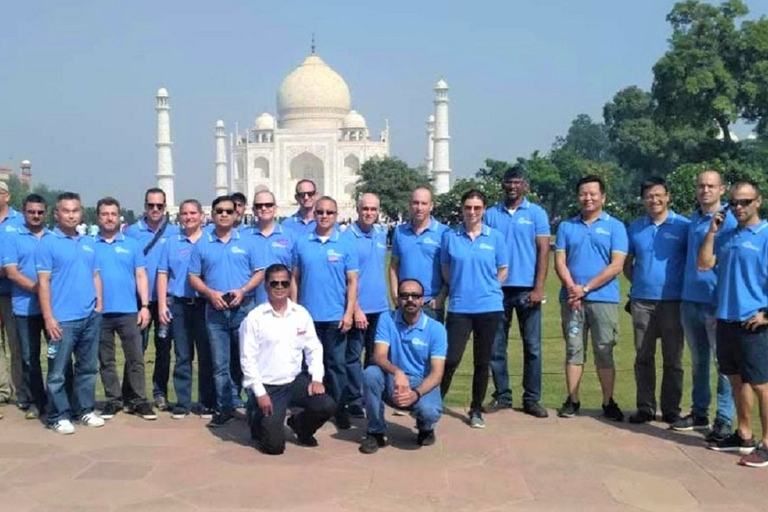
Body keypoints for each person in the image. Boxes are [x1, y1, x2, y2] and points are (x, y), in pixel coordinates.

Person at [699, 180, 768, 467]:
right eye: (734, 203)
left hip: (754, 321)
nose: (739, 208)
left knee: (762, 386)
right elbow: (704, 264)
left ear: (758, 202)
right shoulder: (729, 236)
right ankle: (744, 435)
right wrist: (713, 231)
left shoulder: (765, 235)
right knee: (736, 381)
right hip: (726, 318)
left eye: (745, 202)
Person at [239, 263, 336, 455]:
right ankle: (256, 416)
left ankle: (300, 425)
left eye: (284, 283)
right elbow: (247, 359)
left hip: (294, 381)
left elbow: (314, 348)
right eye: (275, 283)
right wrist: (260, 393)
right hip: (269, 385)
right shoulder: (254, 318)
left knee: (327, 405)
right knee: (274, 447)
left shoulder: (301, 314)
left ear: (291, 284)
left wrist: (316, 378)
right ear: (266, 286)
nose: (280, 287)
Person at [554, 175, 626, 422]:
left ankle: (608, 401)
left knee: (604, 351)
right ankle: (572, 400)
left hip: (603, 299)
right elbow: (560, 261)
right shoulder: (566, 226)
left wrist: (586, 288)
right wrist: (573, 288)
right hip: (572, 299)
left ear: (603, 197)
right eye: (583, 194)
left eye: (593, 193)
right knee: (574, 350)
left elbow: (617, 265)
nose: (588, 198)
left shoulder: (615, 226)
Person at [189, 195, 265, 427]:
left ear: (236, 214)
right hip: (215, 309)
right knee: (220, 364)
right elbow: (193, 277)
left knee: (248, 361)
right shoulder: (203, 243)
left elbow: (259, 273)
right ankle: (225, 407)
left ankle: (253, 408)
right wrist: (211, 293)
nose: (224, 214)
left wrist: (243, 291)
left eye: (228, 211)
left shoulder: (248, 241)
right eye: (219, 211)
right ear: (212, 214)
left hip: (243, 308)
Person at [483, 164, 550, 418]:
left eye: (517, 182)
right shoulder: (491, 214)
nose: (512, 186)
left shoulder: (536, 213)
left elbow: (544, 251)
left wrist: (539, 287)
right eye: (508, 182)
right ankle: (502, 395)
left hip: (527, 289)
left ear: (525, 186)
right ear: (503, 185)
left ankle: (531, 399)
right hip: (497, 289)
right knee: (496, 346)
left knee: (532, 347)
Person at [36, 192, 105, 434]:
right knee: (58, 372)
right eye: (66, 210)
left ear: (81, 213)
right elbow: (43, 283)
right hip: (62, 318)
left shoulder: (88, 242)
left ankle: (84, 410)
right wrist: (48, 317)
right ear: (57, 214)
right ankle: (58, 414)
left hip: (89, 316)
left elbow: (95, 274)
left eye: (75, 210)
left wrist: (99, 305)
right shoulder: (48, 242)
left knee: (87, 368)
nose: (71, 215)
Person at [674, 170, 735, 440]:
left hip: (715, 301)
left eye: (711, 186)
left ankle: (724, 419)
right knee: (699, 362)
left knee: (722, 364)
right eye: (701, 186)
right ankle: (700, 412)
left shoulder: (728, 221)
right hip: (690, 299)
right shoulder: (694, 219)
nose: (705, 190)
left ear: (722, 189)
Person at [439, 189, 508, 429]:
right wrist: (461, 287)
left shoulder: (495, 237)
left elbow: (502, 270)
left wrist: (486, 289)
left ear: (484, 210)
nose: (472, 212)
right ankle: (435, 402)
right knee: (450, 359)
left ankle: (476, 408)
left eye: (477, 208)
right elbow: (445, 270)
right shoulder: (451, 236)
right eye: (468, 207)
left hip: (488, 307)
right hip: (460, 306)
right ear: (462, 209)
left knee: (482, 360)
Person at [624, 177, 689, 424]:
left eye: (659, 195)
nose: (655, 200)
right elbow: (627, 263)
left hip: (673, 301)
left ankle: (671, 409)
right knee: (643, 356)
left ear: (668, 196)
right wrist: (640, 283)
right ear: (643, 200)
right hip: (642, 301)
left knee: (673, 358)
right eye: (649, 196)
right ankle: (646, 407)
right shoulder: (636, 227)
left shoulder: (683, 226)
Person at [291, 195, 358, 429]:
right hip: (307, 317)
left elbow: (352, 282)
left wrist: (349, 313)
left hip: (334, 316)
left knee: (335, 364)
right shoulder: (302, 242)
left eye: (329, 212)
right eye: (320, 212)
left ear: (336, 215)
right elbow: (295, 279)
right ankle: (308, 408)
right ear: (314, 214)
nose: (324, 216)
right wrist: (294, 310)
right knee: (305, 365)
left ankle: (339, 409)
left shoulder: (346, 244)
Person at [359, 278, 446, 454]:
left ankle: (425, 427)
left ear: (422, 300)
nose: (410, 300)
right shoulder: (386, 319)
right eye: (405, 296)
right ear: (398, 299)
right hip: (392, 378)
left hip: (421, 382)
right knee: (370, 374)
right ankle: (375, 431)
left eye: (415, 296)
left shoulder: (436, 329)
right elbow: (379, 355)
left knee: (429, 411)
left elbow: (437, 374)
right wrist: (397, 372)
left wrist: (415, 393)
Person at [93, 197, 156, 421]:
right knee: (106, 359)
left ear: (119, 217)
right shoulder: (90, 245)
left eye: (113, 214)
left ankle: (139, 401)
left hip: (128, 310)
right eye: (104, 214)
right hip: (100, 312)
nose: (109, 218)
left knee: (135, 358)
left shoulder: (132, 245)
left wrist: (145, 306)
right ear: (98, 217)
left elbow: (141, 276)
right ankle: (113, 400)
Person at [157, 199, 215, 419]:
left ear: (202, 216)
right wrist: (163, 303)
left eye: (193, 213)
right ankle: (182, 402)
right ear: (179, 216)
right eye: (185, 213)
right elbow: (163, 273)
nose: (189, 217)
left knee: (206, 355)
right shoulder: (171, 242)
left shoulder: (210, 240)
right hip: (180, 305)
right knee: (182, 355)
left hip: (204, 304)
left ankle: (206, 402)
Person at [124, 187, 179, 411]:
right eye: (151, 205)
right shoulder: (132, 233)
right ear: (144, 206)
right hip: (141, 300)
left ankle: (159, 392)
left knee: (164, 349)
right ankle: (131, 395)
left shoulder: (174, 232)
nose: (155, 209)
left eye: (159, 206)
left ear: (165, 207)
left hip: (166, 300)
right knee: (136, 348)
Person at [341, 193, 389, 419]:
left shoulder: (381, 233)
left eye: (373, 209)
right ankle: (353, 399)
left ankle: (373, 397)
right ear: (357, 209)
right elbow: (345, 278)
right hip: (359, 308)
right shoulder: (347, 237)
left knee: (376, 356)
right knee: (352, 356)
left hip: (380, 307)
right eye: (365, 209)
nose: (369, 213)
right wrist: (356, 308)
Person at [2, 194, 50, 419]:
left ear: (46, 213)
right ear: (24, 212)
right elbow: (12, 272)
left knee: (58, 356)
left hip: (53, 309)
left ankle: (59, 399)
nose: (36, 215)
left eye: (40, 212)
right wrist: (39, 289)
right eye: (32, 211)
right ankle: (35, 400)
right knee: (29, 357)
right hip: (25, 306)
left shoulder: (53, 237)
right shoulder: (13, 237)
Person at [389, 187, 449, 323]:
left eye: (424, 203)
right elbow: (394, 266)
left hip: (431, 303)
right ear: (410, 205)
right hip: (405, 301)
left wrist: (441, 297)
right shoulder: (400, 232)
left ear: (431, 206)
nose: (419, 208)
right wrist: (395, 296)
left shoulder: (444, 233)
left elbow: (449, 271)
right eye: (415, 203)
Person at [0, 180, 26, 406]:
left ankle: (20, 389)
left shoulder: (19, 221)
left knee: (15, 343)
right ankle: (2, 389)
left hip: (12, 291)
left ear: (7, 196)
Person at [247, 190, 295, 305]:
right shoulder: (244, 237)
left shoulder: (290, 236)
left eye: (268, 205)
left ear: (275, 208)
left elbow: (295, 274)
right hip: (249, 304)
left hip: (282, 303)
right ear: (253, 210)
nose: (264, 208)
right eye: (259, 206)